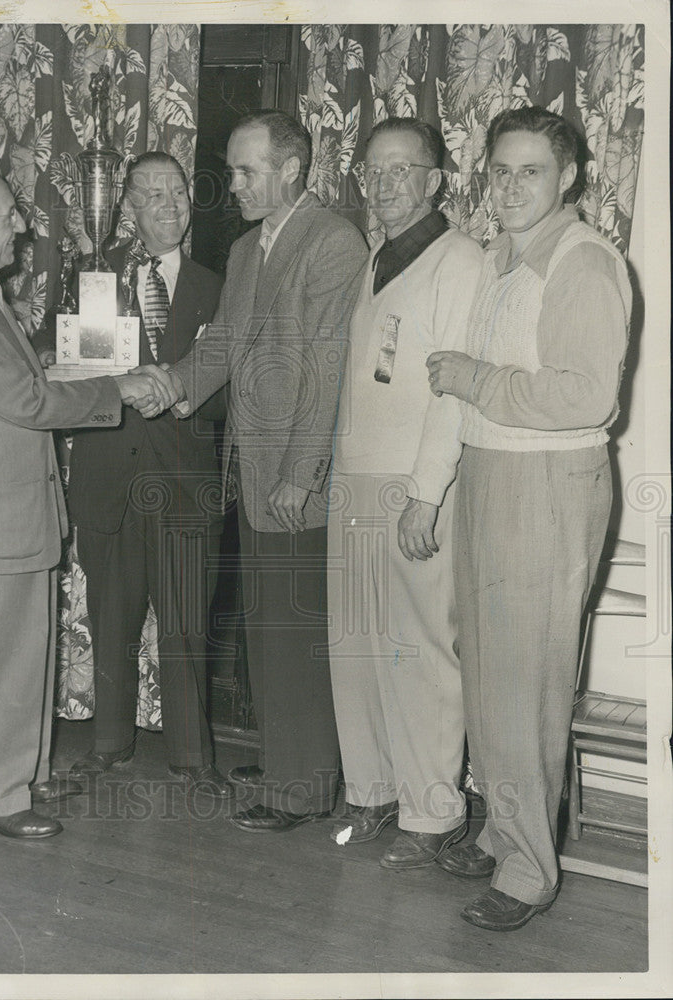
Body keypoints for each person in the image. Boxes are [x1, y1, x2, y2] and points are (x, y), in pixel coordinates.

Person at [0, 159, 172, 840]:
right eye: (7, 215)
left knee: (23, 659)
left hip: (17, 510)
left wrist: (104, 369)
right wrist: (118, 390)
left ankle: (18, 782)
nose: (21, 226)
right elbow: (27, 400)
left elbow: (30, 377)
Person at [426, 106, 631, 930]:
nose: (510, 186)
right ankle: (508, 824)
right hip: (492, 472)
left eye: (531, 172)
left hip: (544, 484)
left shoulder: (581, 262)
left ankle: (527, 871)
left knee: (525, 684)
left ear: (570, 178)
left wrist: (473, 377)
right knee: (492, 673)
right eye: (500, 170)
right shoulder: (509, 256)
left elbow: (585, 394)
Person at [140, 110, 369, 831]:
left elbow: (328, 370)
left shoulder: (332, 241)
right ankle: (282, 760)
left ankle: (302, 788)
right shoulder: (248, 247)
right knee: (266, 625)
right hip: (253, 463)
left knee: (293, 631)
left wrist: (303, 472)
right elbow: (227, 344)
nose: (231, 184)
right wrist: (172, 385)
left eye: (246, 170)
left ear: (293, 168)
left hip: (298, 472)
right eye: (233, 169)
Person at [326, 118, 483, 867]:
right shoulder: (375, 259)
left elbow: (452, 393)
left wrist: (427, 492)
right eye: (373, 170)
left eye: (401, 170)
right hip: (355, 479)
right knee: (357, 646)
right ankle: (375, 791)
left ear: (435, 181)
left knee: (417, 652)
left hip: (413, 488)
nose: (385, 184)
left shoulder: (461, 262)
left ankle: (433, 813)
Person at [55, 152, 230, 798]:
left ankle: (192, 756)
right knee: (112, 619)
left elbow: (230, 389)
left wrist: (178, 392)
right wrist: (129, 388)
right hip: (108, 480)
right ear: (125, 206)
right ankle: (108, 743)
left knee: (186, 626)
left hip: (185, 483)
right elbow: (74, 377)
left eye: (177, 190)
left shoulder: (222, 285)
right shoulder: (92, 277)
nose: (167, 202)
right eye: (150, 192)